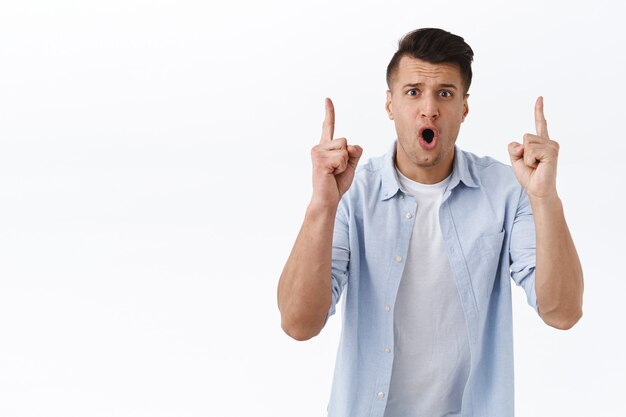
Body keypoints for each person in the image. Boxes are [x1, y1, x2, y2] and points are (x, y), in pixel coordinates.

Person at [277, 28, 583, 417]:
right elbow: (298, 324)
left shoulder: (508, 190)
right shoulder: (352, 193)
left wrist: (545, 199)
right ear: (389, 104)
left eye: (445, 93)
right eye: (412, 91)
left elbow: (563, 312)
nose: (429, 109)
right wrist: (322, 205)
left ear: (464, 107)